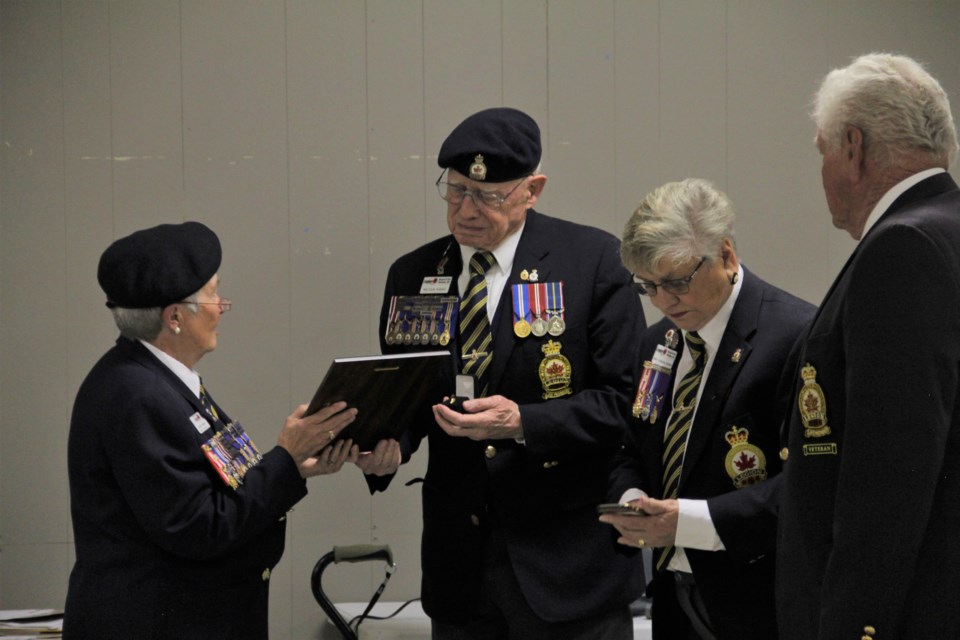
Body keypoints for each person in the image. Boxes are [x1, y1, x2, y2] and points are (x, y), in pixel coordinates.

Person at [366, 107, 647, 638]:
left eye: (488, 196)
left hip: (566, 566)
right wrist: (388, 446)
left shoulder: (592, 261)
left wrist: (522, 422)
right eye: (455, 192)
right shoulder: (414, 273)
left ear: (532, 188)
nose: (466, 210)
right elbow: (408, 394)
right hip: (461, 570)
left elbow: (623, 405)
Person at [64, 221, 360, 640]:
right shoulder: (138, 395)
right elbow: (199, 526)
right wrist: (285, 460)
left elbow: (225, 480)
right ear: (175, 317)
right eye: (212, 295)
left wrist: (295, 467)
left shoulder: (163, 381)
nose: (222, 306)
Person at [776, 53, 960, 640]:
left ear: (853, 147)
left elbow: (891, 469)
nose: (823, 170)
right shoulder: (946, 230)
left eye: (822, 150)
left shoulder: (902, 247)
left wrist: (858, 624)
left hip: (906, 610)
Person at [601, 179, 815, 639]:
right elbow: (631, 446)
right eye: (648, 286)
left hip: (761, 599)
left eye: (677, 282)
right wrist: (632, 503)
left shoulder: (796, 336)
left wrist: (692, 523)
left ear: (726, 255)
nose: (662, 301)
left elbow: (810, 487)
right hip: (675, 597)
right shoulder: (659, 339)